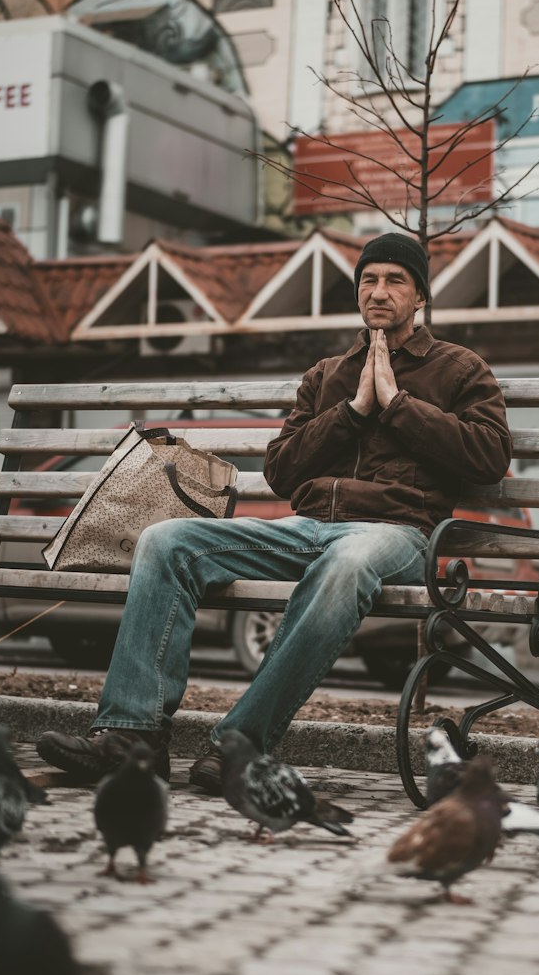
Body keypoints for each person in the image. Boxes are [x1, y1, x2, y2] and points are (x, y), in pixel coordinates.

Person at [36, 233, 512, 788]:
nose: (378, 291)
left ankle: (240, 743)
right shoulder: (328, 374)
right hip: (307, 529)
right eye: (368, 280)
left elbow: (489, 457)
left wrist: (400, 405)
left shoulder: (459, 369)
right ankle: (132, 736)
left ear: (421, 296)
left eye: (394, 280)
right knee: (168, 540)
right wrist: (355, 411)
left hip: (396, 535)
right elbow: (282, 471)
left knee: (347, 565)